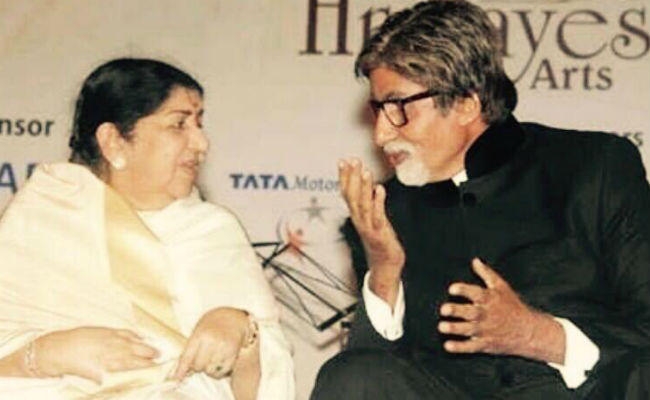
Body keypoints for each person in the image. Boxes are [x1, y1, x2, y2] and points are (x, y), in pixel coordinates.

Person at [310, 0, 650, 399]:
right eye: (378, 110)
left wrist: (539, 336)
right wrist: (384, 270)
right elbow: (367, 379)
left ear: (465, 104)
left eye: (398, 107)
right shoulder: (387, 212)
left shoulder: (594, 167)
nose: (381, 134)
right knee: (352, 375)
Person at [0, 58, 294, 399]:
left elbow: (273, 382)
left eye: (199, 123)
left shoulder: (211, 231)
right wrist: (48, 353)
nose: (201, 143)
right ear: (114, 141)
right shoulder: (42, 219)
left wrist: (241, 330)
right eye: (179, 124)